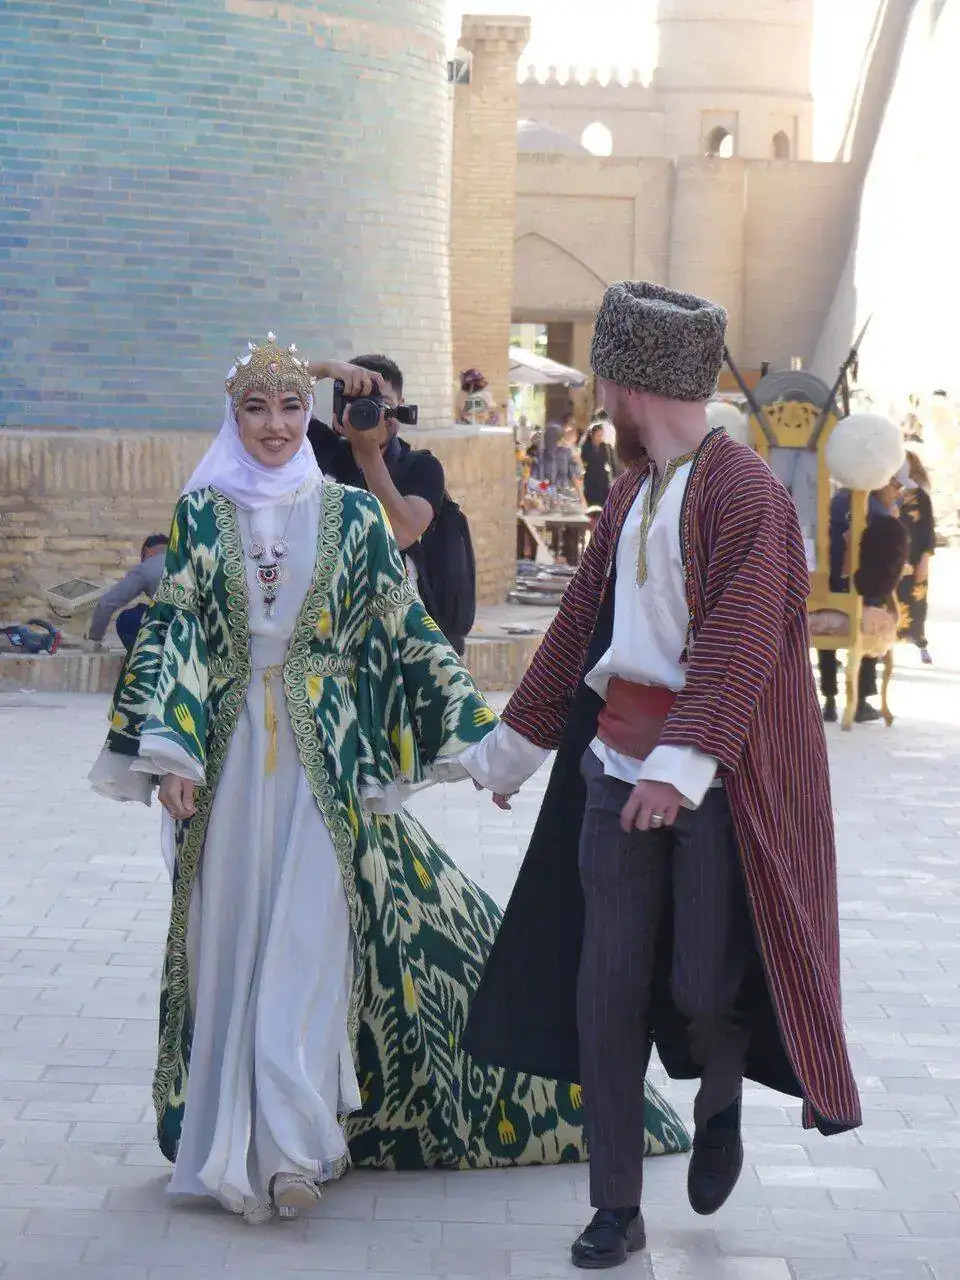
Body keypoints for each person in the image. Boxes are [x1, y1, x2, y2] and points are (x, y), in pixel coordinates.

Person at [88, 335, 687, 1226]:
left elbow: (408, 633)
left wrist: (486, 748)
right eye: (256, 408)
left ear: (312, 418)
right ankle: (230, 1143)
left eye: (291, 407)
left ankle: (293, 1151)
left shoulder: (352, 517)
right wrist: (171, 754)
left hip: (326, 767)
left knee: (305, 944)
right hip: (223, 767)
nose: (275, 425)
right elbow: (177, 632)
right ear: (233, 417)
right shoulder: (202, 516)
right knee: (230, 948)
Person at [460, 282, 861, 1270]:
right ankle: (615, 1206)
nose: (596, 396)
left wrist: (676, 774)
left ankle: (719, 1095)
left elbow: (739, 645)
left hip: (716, 787)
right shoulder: (632, 493)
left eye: (602, 379)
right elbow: (576, 635)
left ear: (628, 382)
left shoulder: (745, 495)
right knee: (607, 988)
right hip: (613, 772)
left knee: (700, 985)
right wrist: (509, 754)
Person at [306, 355, 473, 656]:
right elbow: (271, 388)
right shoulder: (321, 450)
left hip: (398, 638)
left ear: (400, 408)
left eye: (380, 403)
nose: (370, 412)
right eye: (356, 402)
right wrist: (328, 368)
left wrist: (367, 453)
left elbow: (401, 532)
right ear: (337, 409)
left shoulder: (421, 467)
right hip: (328, 631)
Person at [819, 463, 911, 722]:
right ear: (882, 481)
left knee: (839, 609)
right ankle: (861, 700)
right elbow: (883, 573)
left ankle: (829, 700)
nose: (899, 493)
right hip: (860, 597)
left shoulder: (835, 499)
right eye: (897, 486)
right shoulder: (877, 512)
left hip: (825, 593)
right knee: (876, 601)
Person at [88, 533, 169, 652]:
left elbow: (106, 604)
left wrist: (94, 638)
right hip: (194, 632)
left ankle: (147, 660)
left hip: (171, 631)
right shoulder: (188, 562)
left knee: (127, 618)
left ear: (147, 551)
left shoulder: (147, 567)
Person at [897, 449, 937, 663]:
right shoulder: (887, 492)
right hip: (892, 557)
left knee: (915, 601)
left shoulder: (921, 497)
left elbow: (928, 531)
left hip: (914, 558)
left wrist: (925, 559)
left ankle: (920, 642)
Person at [580, 420, 616, 508]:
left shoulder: (605, 447)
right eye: (598, 435)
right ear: (592, 435)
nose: (599, 438)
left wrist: (613, 474)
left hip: (602, 478)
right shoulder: (586, 447)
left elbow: (611, 462)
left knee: (603, 503)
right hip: (590, 478)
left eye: (601, 435)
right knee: (591, 502)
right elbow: (581, 462)